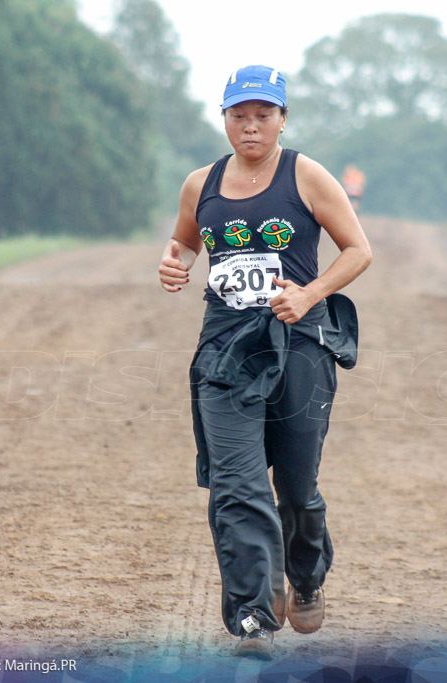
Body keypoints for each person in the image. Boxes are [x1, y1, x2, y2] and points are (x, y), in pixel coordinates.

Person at [157, 64, 372, 660]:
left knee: (297, 487)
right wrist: (173, 262)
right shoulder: (200, 183)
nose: (250, 127)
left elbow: (358, 251)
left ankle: (304, 576)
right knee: (237, 484)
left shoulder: (307, 175)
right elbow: (185, 243)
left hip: (298, 344)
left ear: (282, 119)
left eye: (263, 116)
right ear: (223, 119)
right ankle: (253, 615)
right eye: (238, 116)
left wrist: (309, 293)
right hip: (225, 349)